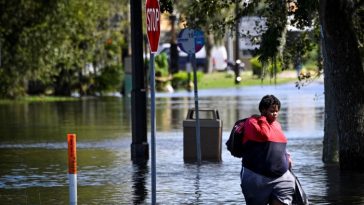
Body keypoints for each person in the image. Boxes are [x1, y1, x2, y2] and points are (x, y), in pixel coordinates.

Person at [240, 95, 295, 205]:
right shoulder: (252, 122)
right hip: (256, 177)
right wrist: (262, 118)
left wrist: (287, 157)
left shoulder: (277, 125)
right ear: (263, 110)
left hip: (281, 177)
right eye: (272, 111)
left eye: (277, 111)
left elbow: (279, 143)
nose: (275, 114)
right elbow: (265, 136)